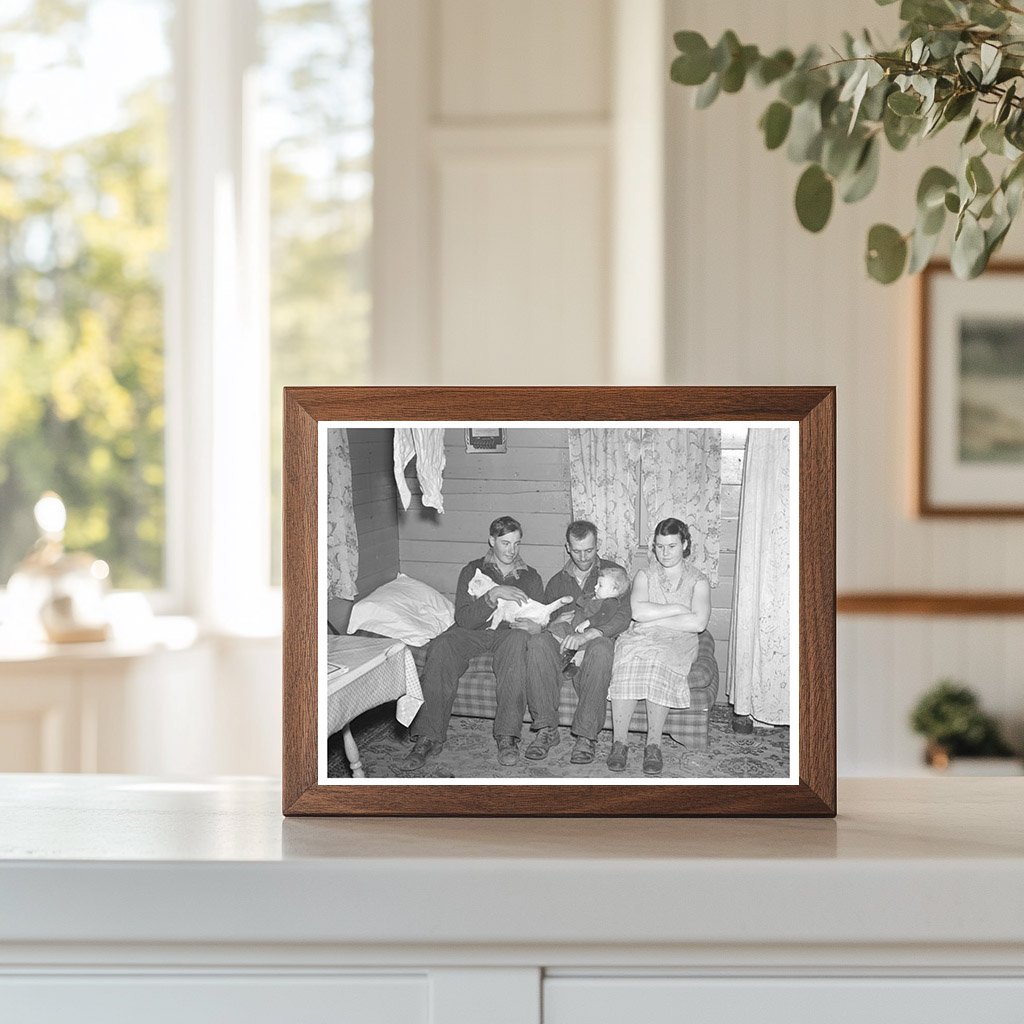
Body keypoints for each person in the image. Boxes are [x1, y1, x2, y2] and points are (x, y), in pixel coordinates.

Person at [398, 516, 543, 772]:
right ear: (491, 541)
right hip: (473, 631)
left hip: (509, 633)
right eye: (505, 543)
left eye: (516, 543)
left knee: (518, 642)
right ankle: (428, 737)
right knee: (443, 644)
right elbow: (463, 619)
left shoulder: (531, 577)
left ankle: (507, 737)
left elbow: (539, 617)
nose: (511, 550)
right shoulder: (473, 570)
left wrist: (536, 625)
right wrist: (492, 594)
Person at [606, 517, 711, 776]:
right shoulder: (645, 574)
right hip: (642, 635)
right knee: (628, 658)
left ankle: (652, 745)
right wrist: (676, 608)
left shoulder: (698, 580)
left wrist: (656, 616)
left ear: (684, 544)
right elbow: (638, 612)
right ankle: (619, 743)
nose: (665, 553)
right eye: (660, 546)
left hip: (678, 640)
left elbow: (698, 623)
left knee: (659, 659)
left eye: (672, 546)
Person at [524, 521, 631, 765]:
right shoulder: (557, 581)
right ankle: (546, 730)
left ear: (597, 546)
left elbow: (624, 616)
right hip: (564, 642)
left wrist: (590, 633)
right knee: (539, 643)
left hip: (595, 642)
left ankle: (586, 736)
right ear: (567, 548)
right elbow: (543, 616)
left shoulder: (615, 574)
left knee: (602, 649)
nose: (583, 557)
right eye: (577, 551)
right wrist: (554, 619)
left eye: (589, 550)